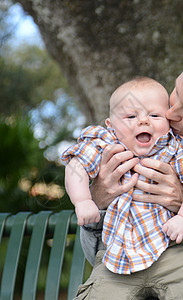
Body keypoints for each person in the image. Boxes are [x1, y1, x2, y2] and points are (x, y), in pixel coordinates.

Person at [61, 76, 183, 276]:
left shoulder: (174, 147)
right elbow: (76, 165)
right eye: (131, 117)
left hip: (169, 253)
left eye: (155, 115)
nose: (143, 120)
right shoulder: (105, 142)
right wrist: (84, 200)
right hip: (117, 259)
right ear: (111, 125)